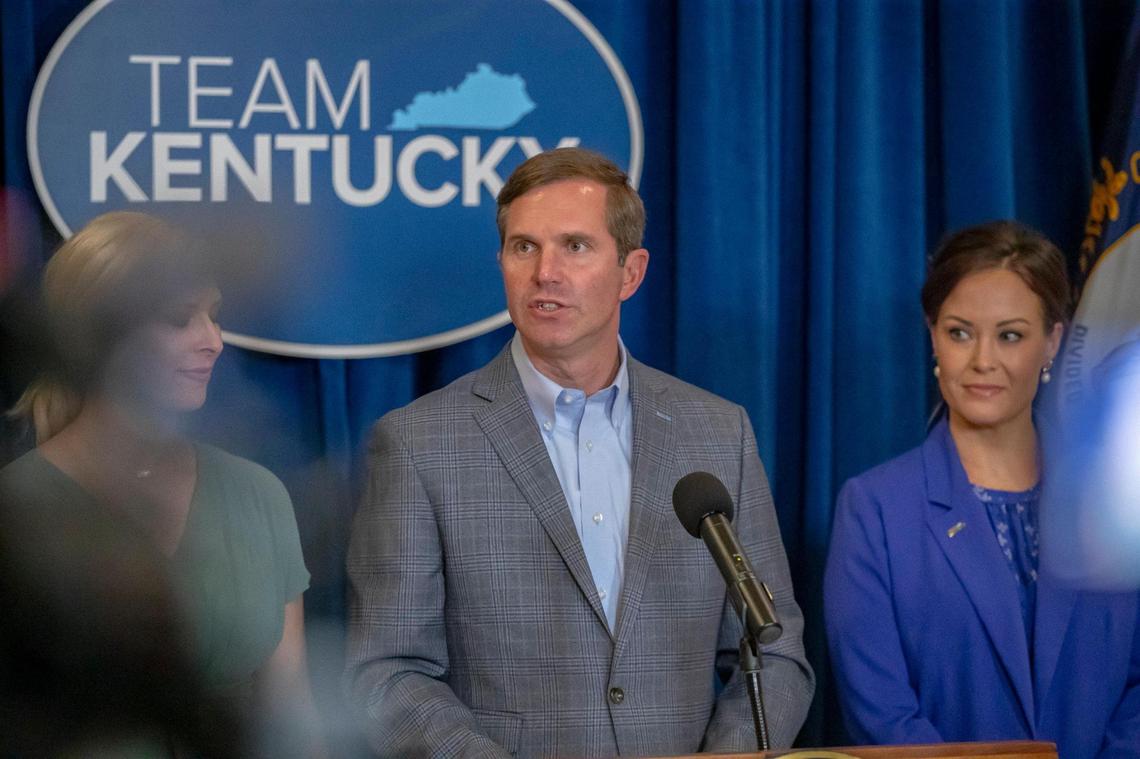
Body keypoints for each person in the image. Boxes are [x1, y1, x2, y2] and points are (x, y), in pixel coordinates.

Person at [345, 147, 814, 757]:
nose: (546, 273)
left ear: (631, 272)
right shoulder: (418, 444)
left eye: (575, 246)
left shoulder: (717, 432)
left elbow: (773, 653)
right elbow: (388, 672)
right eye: (524, 247)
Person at [0, 211, 320, 756]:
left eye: (215, 316)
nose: (213, 341)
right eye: (178, 319)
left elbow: (290, 714)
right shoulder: (18, 511)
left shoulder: (257, 494)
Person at [824, 220, 1140, 757]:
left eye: (1010, 335)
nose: (983, 361)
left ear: (1052, 342)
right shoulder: (874, 509)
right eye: (960, 332)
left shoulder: (1117, 501)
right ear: (934, 337)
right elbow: (883, 714)